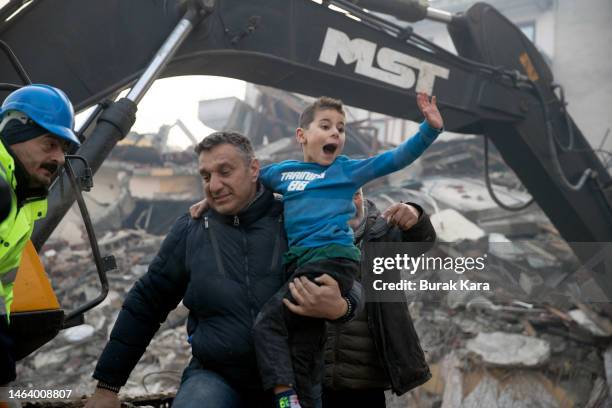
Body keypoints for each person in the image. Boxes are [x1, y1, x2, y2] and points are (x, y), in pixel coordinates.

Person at [86, 132, 359, 408]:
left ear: (254, 170)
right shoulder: (192, 229)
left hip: (292, 380)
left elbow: (348, 278)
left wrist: (342, 307)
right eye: (206, 176)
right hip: (216, 377)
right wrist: (107, 387)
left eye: (225, 171)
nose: (214, 185)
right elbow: (147, 302)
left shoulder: (293, 218)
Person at [252, 93, 443, 408]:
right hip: (318, 370)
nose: (335, 133)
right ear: (302, 135)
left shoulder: (378, 226)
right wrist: (211, 199)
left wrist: (429, 131)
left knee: (267, 324)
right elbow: (249, 182)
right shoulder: (286, 177)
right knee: (291, 342)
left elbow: (395, 160)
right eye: (326, 126)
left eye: (341, 129)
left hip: (361, 380)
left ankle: (285, 399)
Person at [322, 189, 435, 407]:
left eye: (354, 194)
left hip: (365, 383)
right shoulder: (306, 234)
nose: (347, 202)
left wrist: (415, 214)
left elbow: (422, 240)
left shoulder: (382, 233)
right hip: (314, 380)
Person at [0, 84, 79, 386]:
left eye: (64, 148)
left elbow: (4, 284)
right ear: (15, 133)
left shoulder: (27, 200)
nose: (60, 158)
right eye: (50, 144)